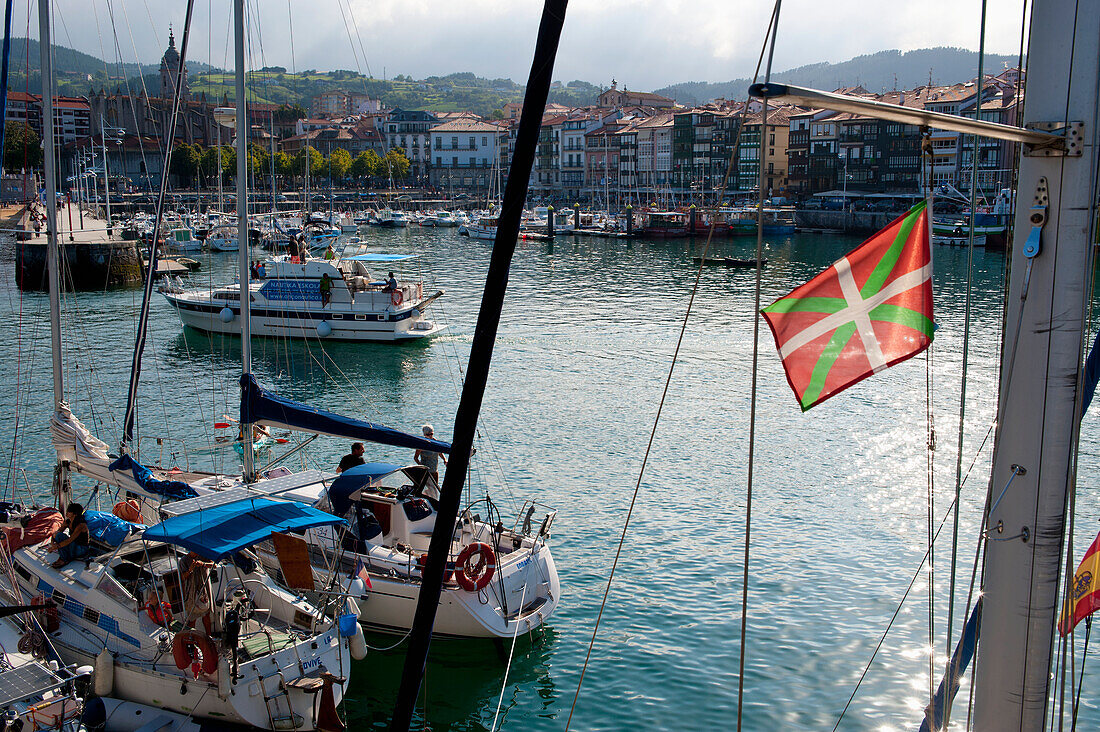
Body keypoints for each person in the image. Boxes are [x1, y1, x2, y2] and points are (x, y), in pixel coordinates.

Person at [46, 502, 90, 569]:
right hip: (73, 545)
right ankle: (65, 556)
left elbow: (70, 540)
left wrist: (54, 547)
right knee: (58, 535)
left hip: (81, 549)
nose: (66, 513)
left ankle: (64, 559)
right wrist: (53, 542)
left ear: (75, 514)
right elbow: (57, 532)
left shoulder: (81, 525)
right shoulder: (68, 522)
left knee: (60, 537)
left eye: (69, 512)